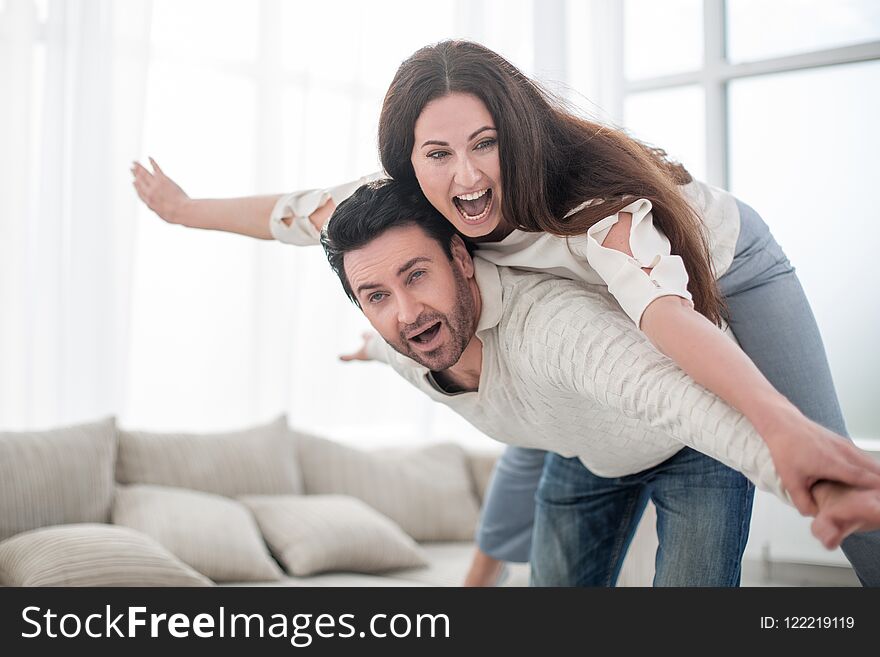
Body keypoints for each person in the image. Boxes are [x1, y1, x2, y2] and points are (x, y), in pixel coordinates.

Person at [131, 39, 880, 586]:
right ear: (407, 159)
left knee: (823, 447)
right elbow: (290, 215)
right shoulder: (405, 213)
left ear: (514, 135)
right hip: (579, 353)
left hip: (725, 264)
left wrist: (781, 427)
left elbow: (661, 315)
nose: (466, 175)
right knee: (537, 403)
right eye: (438, 154)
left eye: (486, 144)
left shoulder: (589, 203)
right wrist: (184, 210)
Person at [319, 178, 880, 585]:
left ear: (462, 260)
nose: (407, 311)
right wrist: (367, 351)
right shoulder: (405, 348)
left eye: (417, 275)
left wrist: (820, 485)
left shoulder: (552, 328)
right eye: (376, 297)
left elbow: (686, 406)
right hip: (587, 455)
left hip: (689, 445)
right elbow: (384, 341)